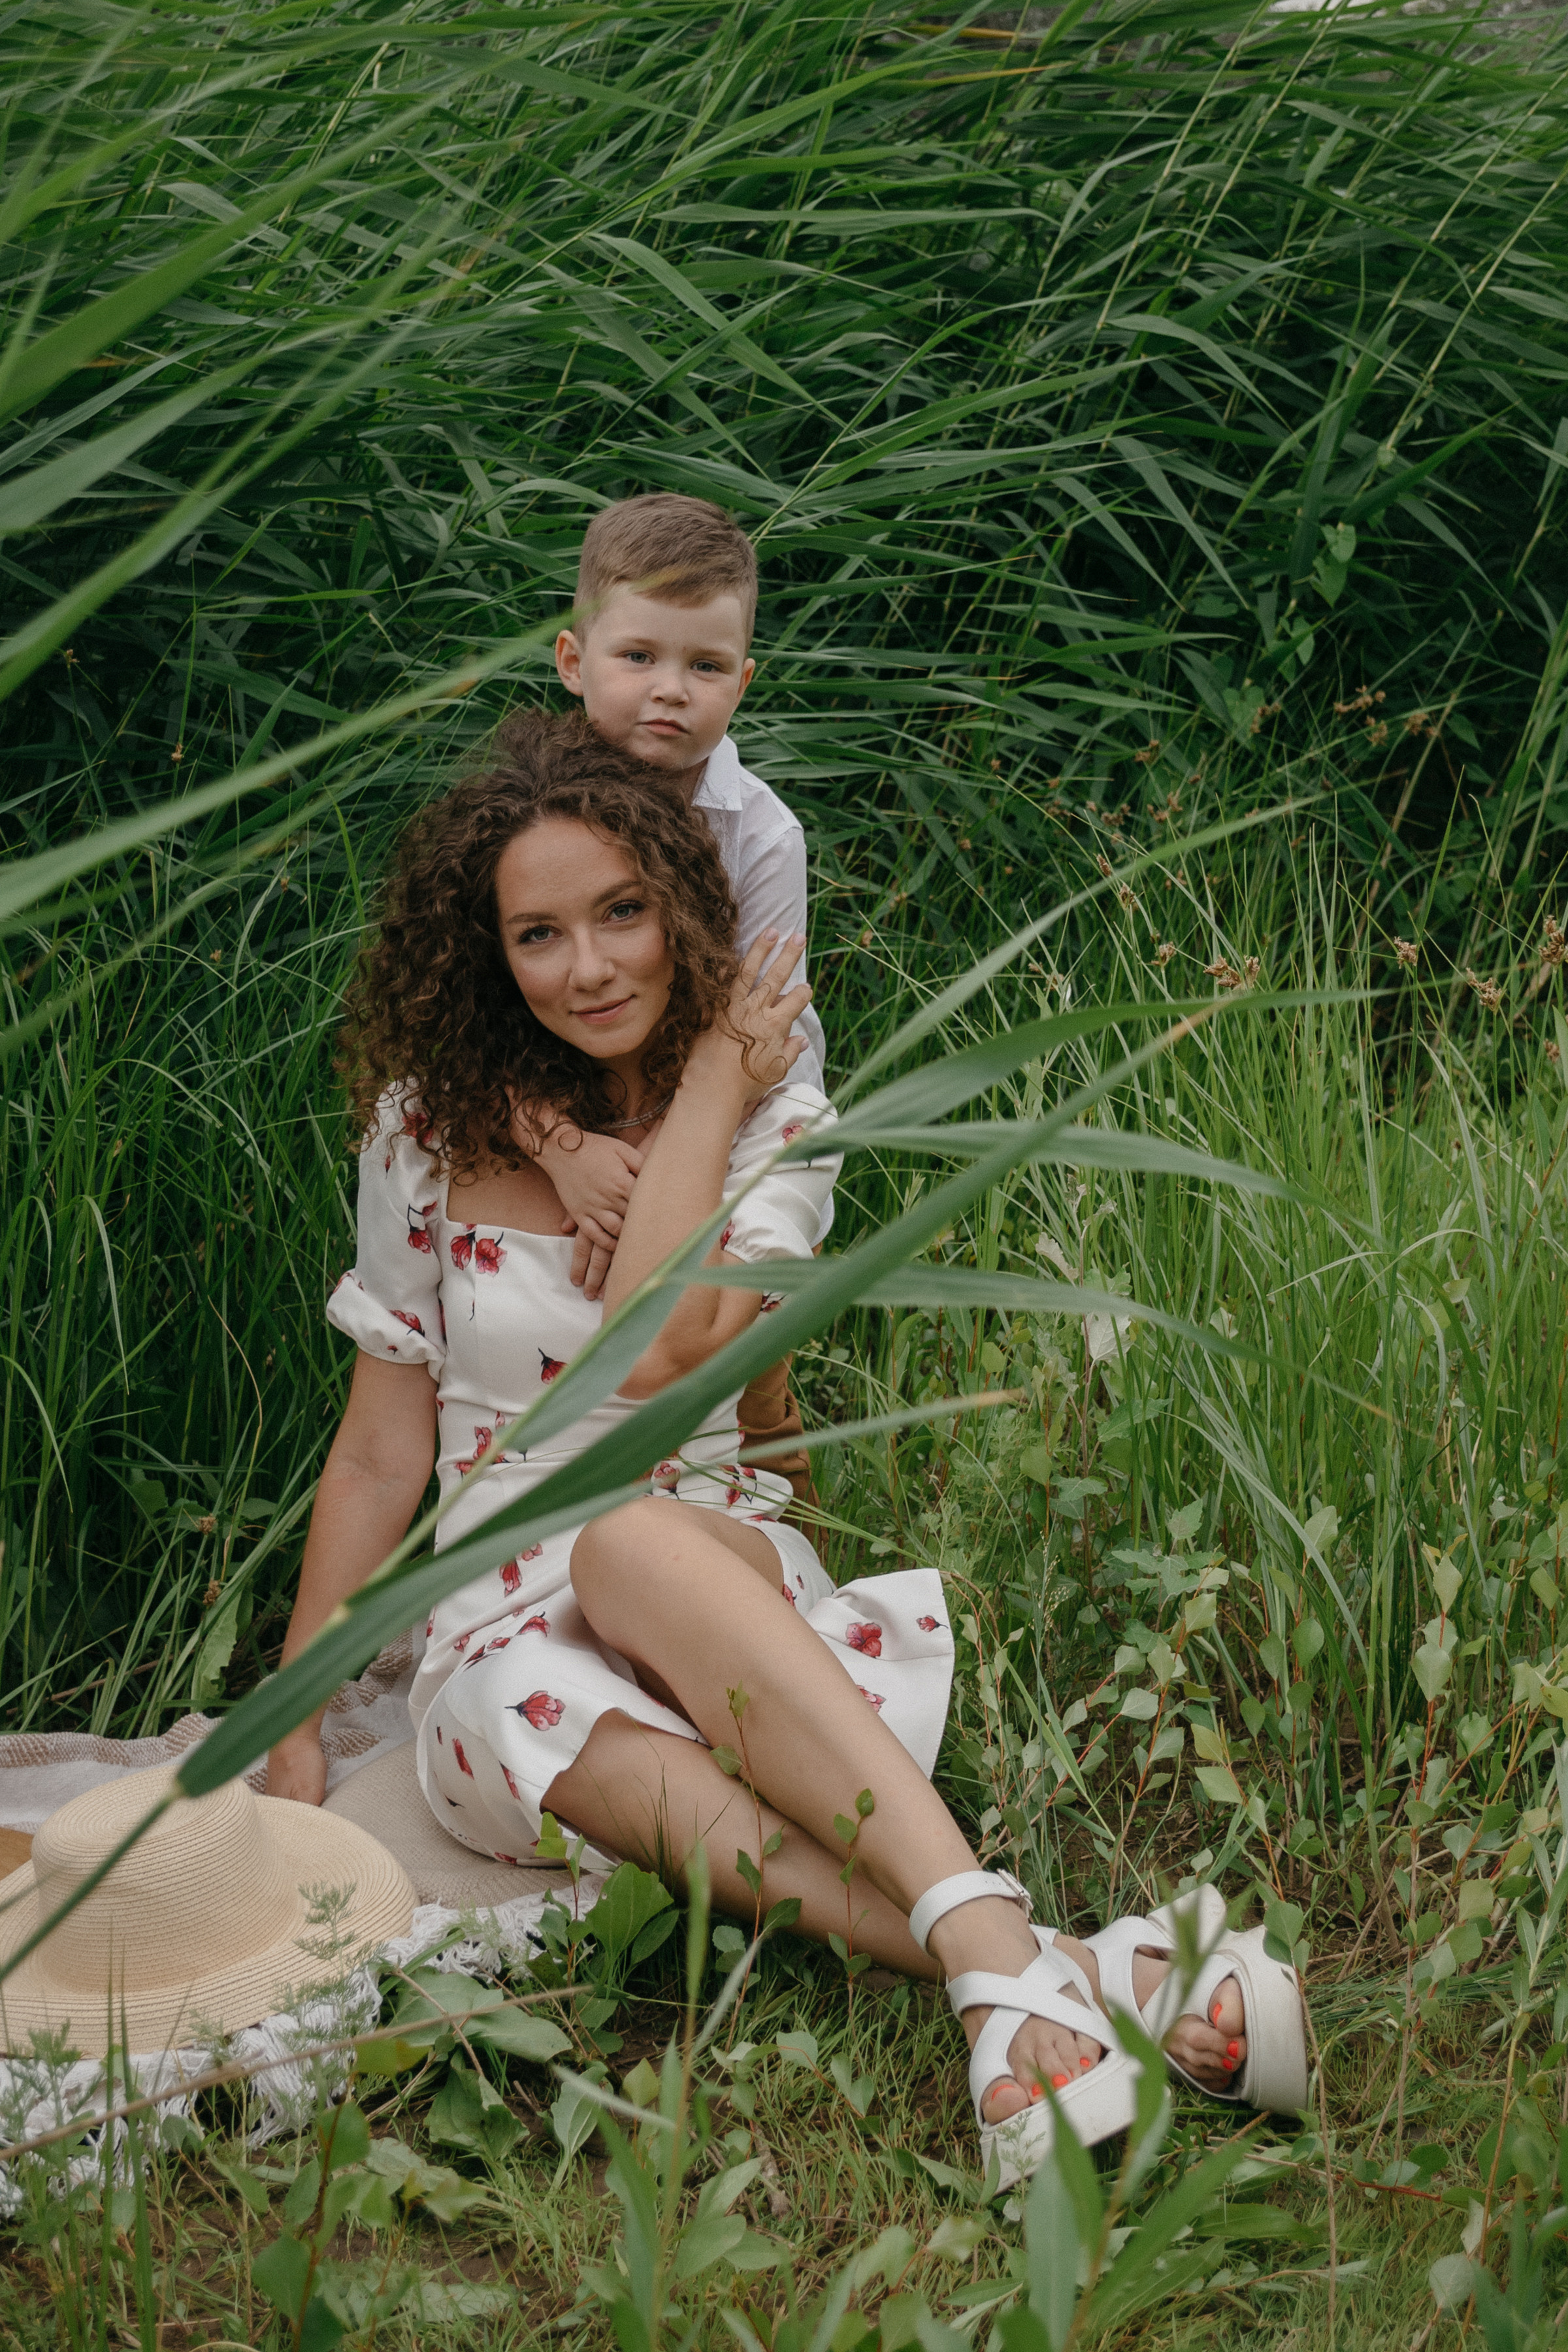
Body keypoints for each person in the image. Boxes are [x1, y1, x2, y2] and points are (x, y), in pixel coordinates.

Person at [267, 711, 1303, 2184]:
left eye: (624, 912)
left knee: (628, 1545)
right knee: (513, 1693)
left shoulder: (780, 1123)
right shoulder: (423, 1139)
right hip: (499, 1612)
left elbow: (663, 1341)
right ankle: (1034, 1964)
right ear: (487, 952)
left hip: (710, 1564)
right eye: (540, 933)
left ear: (686, 903)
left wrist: (713, 1084)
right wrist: (299, 1708)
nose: (592, 965)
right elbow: (379, 1455)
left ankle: (1003, 1973)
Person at [541, 493, 819, 1492]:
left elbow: (763, 1024)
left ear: (743, 683)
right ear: (575, 661)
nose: (670, 691)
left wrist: (669, 1150)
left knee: (737, 1288)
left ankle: (766, 1459)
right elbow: (480, 1008)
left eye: (705, 668)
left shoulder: (760, 834)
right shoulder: (530, 810)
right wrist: (558, 1141)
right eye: (639, 658)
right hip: (571, 1082)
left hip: (742, 1091)